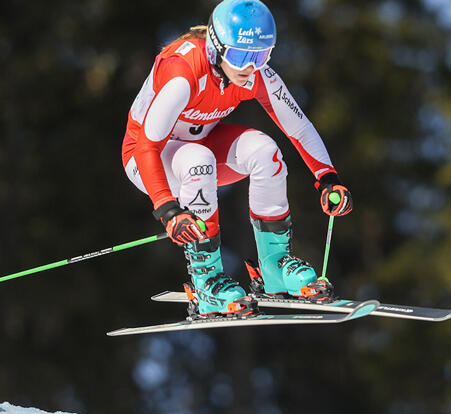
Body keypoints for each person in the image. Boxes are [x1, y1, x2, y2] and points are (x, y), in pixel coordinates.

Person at [121, 0, 353, 317]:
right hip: (147, 159)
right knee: (197, 158)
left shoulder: (255, 74)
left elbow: (299, 127)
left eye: (261, 55)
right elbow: (146, 146)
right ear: (216, 49)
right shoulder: (184, 73)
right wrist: (167, 209)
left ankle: (273, 269)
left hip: (197, 150)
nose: (250, 66)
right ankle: (208, 284)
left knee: (265, 151)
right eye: (241, 56)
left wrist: (328, 179)